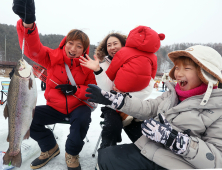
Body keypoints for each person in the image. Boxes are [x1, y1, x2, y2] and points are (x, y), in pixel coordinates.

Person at [85, 45, 222, 169]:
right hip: (152, 150)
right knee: (105, 157)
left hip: (177, 164)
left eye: (186, 68)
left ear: (206, 74)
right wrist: (116, 100)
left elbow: (217, 159)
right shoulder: (172, 95)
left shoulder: (218, 107)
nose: (178, 74)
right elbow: (148, 107)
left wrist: (176, 141)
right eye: (177, 68)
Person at [13, 1, 96, 170]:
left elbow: (92, 91)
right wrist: (28, 24)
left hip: (77, 107)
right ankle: (50, 147)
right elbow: (32, 50)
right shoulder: (51, 57)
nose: (73, 49)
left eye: (79, 46)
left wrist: (76, 90)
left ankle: (72, 154)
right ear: (64, 43)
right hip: (55, 108)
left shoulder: (88, 66)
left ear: (84, 50)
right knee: (29, 118)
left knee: (82, 119)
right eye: (70, 43)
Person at [80, 26, 163, 150]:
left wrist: (126, 97)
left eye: (115, 43)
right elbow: (105, 90)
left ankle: (145, 156)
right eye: (109, 45)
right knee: (112, 128)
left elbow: (147, 89)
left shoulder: (142, 62)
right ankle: (106, 154)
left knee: (141, 132)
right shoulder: (102, 64)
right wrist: (98, 71)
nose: (112, 47)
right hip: (111, 105)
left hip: (134, 104)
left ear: (124, 44)